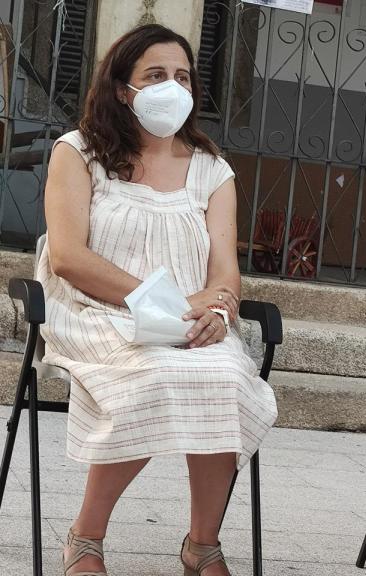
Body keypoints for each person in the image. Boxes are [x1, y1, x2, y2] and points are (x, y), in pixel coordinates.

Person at [39, 24, 278, 576]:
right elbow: (69, 257)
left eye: (182, 77)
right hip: (96, 314)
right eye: (155, 76)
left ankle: (202, 545)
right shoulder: (78, 153)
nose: (172, 86)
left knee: (225, 375)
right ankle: (85, 538)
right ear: (124, 88)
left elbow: (224, 272)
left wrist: (218, 310)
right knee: (154, 376)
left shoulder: (212, 171)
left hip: (188, 322)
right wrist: (162, 300)